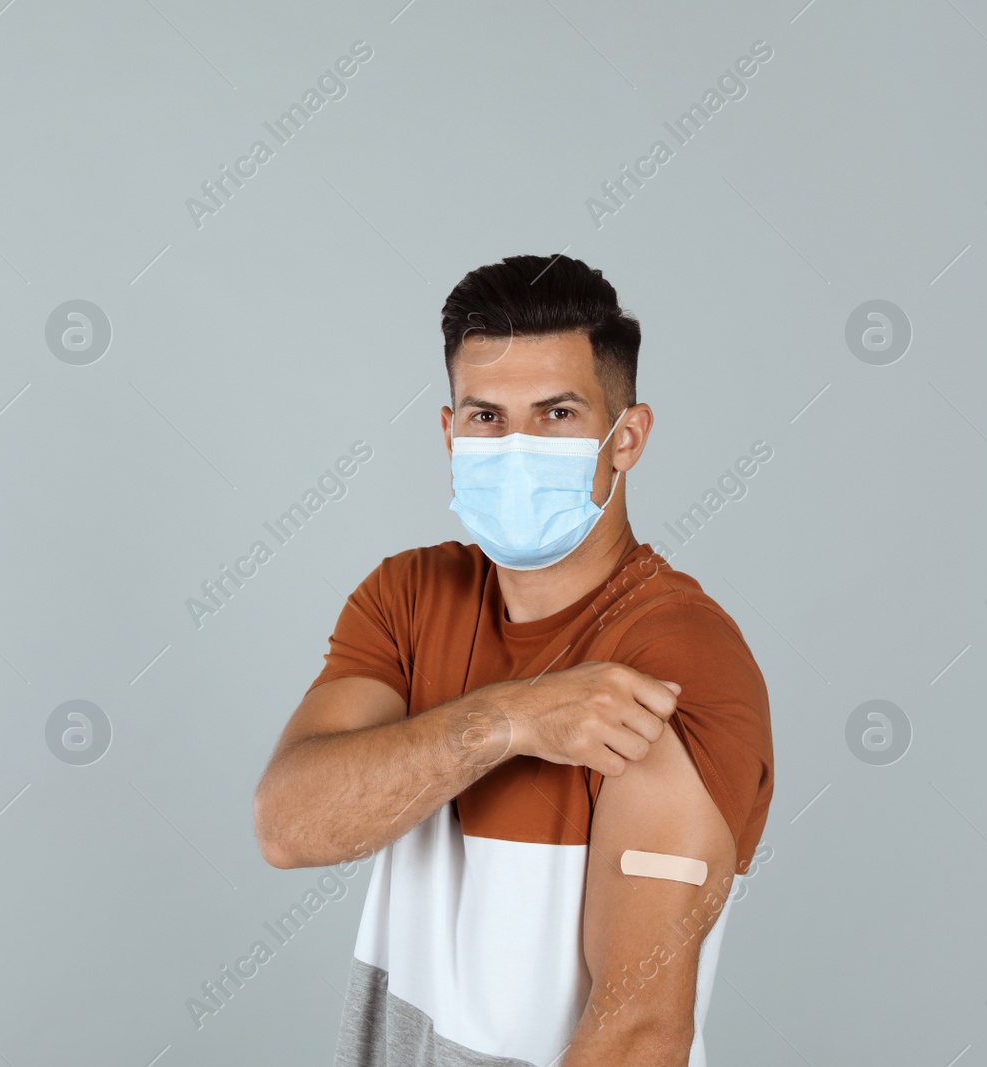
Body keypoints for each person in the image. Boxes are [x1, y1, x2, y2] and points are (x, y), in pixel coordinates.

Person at [252, 253, 775, 1066]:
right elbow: (292, 825)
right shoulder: (411, 595)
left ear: (626, 436)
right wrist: (511, 718)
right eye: (487, 416)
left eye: (558, 413)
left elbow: (638, 1033)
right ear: (449, 431)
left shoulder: (674, 656)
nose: (517, 444)